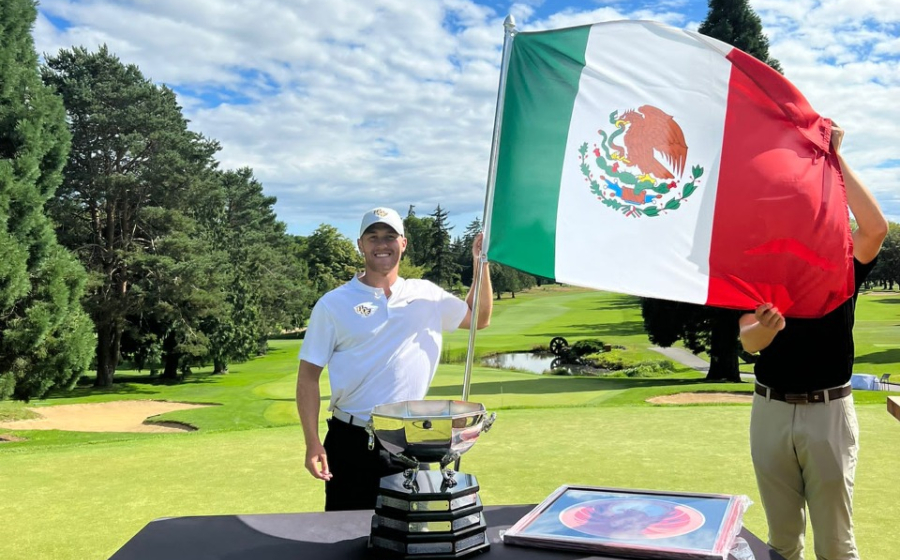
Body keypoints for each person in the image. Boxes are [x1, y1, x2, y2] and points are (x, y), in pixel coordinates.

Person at [738, 125, 888, 560]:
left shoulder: (842, 261)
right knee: (782, 541)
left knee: (836, 544)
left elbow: (874, 229)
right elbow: (749, 341)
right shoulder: (759, 268)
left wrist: (834, 158)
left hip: (828, 413)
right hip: (770, 410)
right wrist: (768, 327)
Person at [296, 206, 494, 511]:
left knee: (414, 537)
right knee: (346, 538)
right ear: (360, 245)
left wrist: (480, 262)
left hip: (412, 442)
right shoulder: (332, 304)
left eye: (390, 236)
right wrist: (312, 442)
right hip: (351, 440)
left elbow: (479, 318)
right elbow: (308, 377)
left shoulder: (426, 294)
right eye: (372, 237)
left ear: (403, 243)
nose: (381, 244)